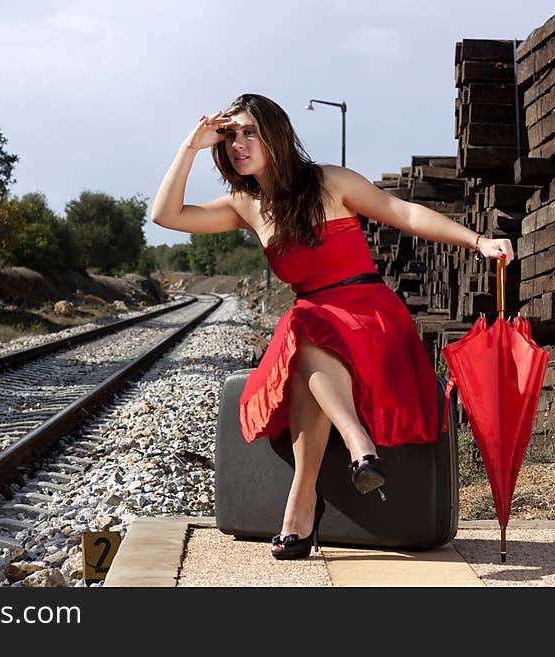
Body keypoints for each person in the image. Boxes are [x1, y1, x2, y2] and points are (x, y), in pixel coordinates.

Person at [151, 93, 513, 560]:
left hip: (369, 314)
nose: (238, 144)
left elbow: (403, 213)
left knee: (301, 327)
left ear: (276, 135)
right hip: (315, 320)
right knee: (304, 333)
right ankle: (337, 469)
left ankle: (310, 495)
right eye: (230, 135)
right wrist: (190, 147)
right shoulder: (245, 205)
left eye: (249, 132)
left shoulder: (328, 181)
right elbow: (166, 215)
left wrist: (478, 241)